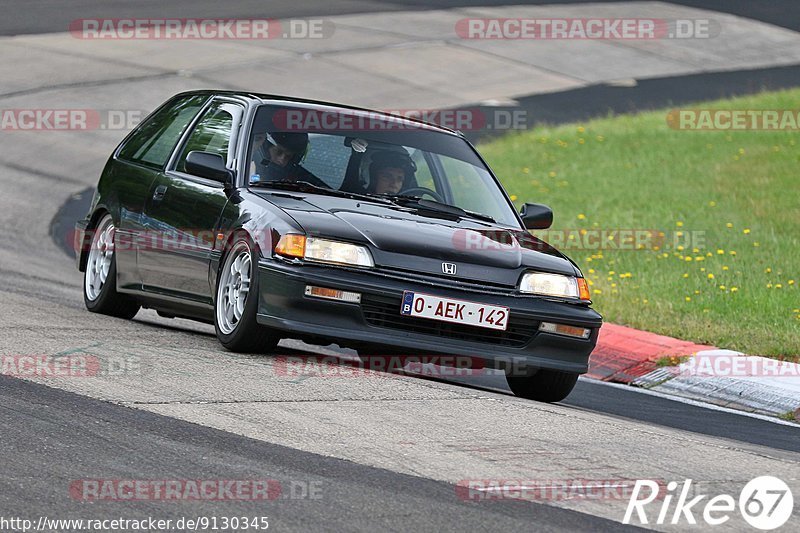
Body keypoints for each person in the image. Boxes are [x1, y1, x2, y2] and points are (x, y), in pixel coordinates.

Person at [250, 131, 326, 186]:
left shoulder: (303, 181)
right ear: (266, 148)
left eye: (288, 157)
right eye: (278, 152)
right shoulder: (245, 168)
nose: (282, 159)